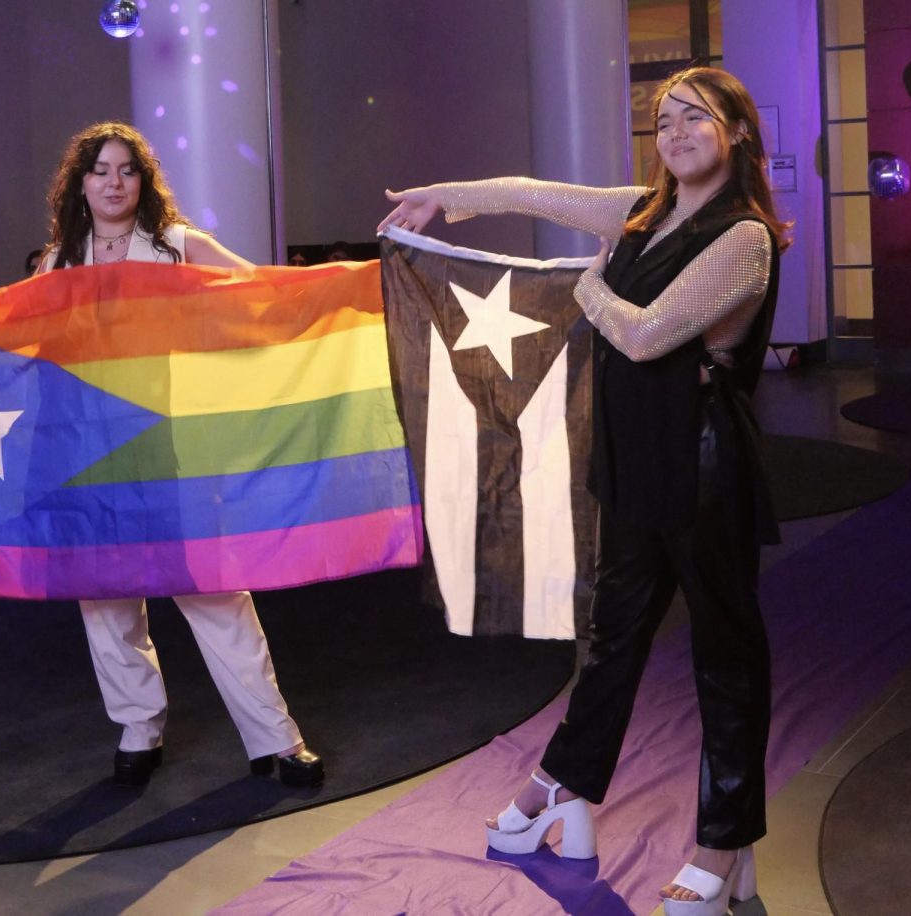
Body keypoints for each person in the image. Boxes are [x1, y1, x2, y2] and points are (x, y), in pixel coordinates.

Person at [379, 66, 790, 915]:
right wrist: (438, 195)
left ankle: (725, 845)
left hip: (704, 462)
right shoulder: (644, 211)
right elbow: (535, 192)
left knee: (725, 657)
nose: (674, 134)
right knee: (611, 641)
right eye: (664, 120)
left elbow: (643, 339)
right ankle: (563, 786)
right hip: (636, 458)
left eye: (696, 119)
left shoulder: (744, 237)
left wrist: (588, 284)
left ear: (739, 132)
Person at [39, 121, 323, 788]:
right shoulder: (59, 262)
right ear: (80, 184)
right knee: (106, 600)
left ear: (144, 180)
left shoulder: (177, 246)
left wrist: (329, 288)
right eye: (101, 171)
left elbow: (257, 291)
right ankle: (139, 727)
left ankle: (276, 739)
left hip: (178, 447)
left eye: (126, 170)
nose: (114, 183)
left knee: (217, 593)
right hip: (92, 455)